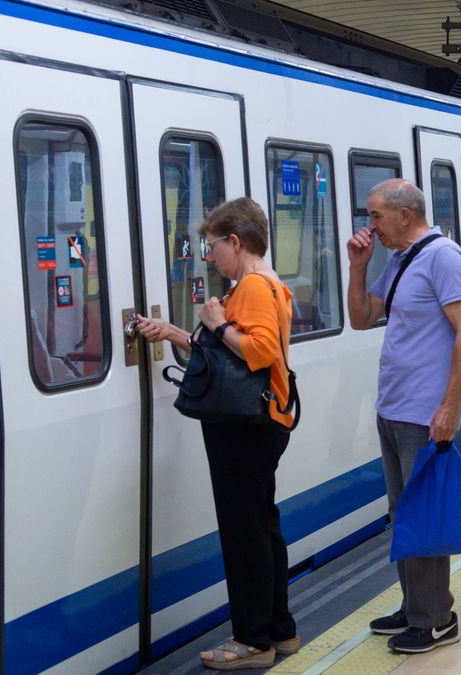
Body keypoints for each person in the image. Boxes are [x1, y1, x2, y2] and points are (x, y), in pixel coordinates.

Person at [136, 197, 298, 670]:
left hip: (244, 427)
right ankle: (279, 630)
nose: (209, 256)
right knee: (262, 527)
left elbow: (259, 351)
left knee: (244, 532)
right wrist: (174, 333)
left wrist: (218, 321)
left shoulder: (250, 285)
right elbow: (228, 354)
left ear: (235, 241)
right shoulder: (267, 283)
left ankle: (252, 641)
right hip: (261, 420)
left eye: (212, 246)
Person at [347, 179, 461, 654]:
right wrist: (358, 268)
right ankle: (414, 604)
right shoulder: (402, 260)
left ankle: (435, 619)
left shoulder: (443, 257)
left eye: (376, 216)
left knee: (422, 513)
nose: (370, 226)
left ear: (405, 214)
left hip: (425, 412)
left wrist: (449, 406)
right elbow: (362, 317)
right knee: (403, 515)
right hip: (394, 408)